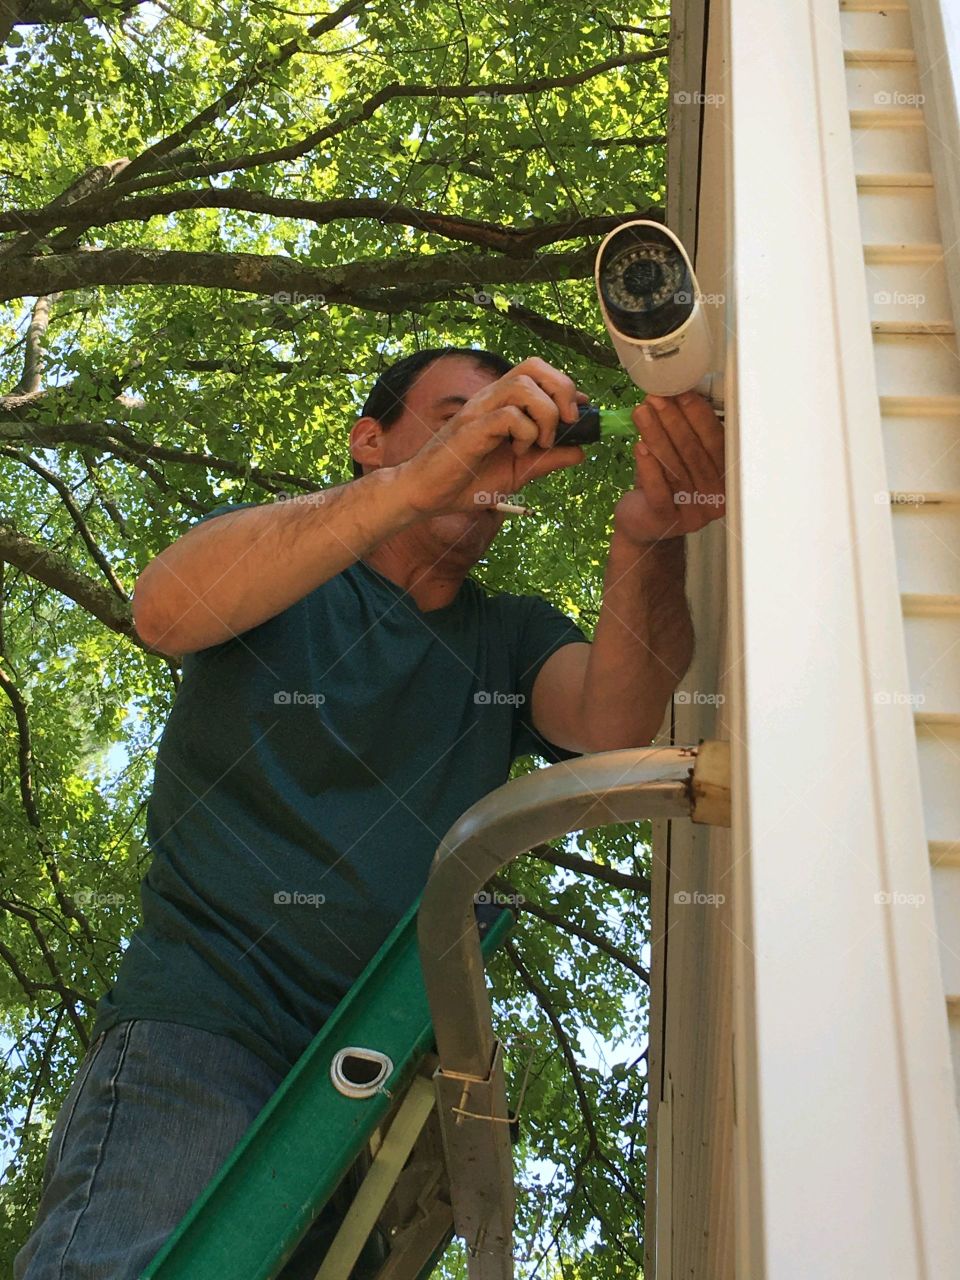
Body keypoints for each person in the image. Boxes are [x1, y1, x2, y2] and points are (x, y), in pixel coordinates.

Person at [14, 346, 725, 1279]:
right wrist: (418, 485)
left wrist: (651, 536)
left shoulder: (507, 636)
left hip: (365, 1092)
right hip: (198, 1038)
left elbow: (614, 719)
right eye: (455, 416)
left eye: (504, 423)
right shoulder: (290, 562)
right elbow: (165, 608)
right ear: (369, 441)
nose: (484, 441)